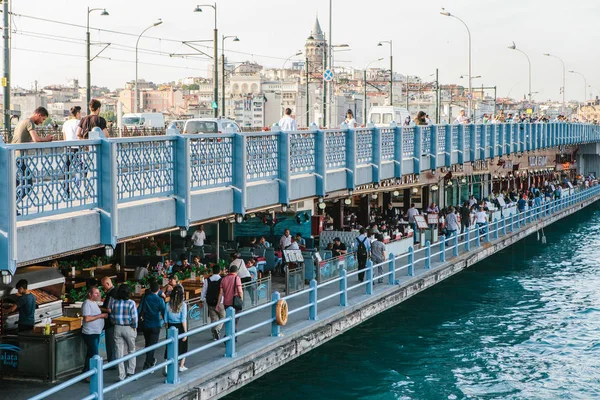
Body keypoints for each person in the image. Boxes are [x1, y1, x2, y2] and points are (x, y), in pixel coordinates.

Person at [110, 284, 138, 381]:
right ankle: (130, 372)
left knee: (119, 352)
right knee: (131, 349)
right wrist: (134, 327)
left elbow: (112, 316)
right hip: (128, 327)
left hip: (117, 327)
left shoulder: (114, 303)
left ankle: (121, 375)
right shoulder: (131, 303)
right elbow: (134, 317)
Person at [138, 280, 165, 372]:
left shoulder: (145, 298)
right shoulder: (160, 300)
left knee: (148, 343)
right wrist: (165, 323)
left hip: (146, 324)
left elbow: (139, 310)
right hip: (156, 324)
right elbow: (164, 312)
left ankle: (151, 360)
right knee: (152, 344)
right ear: (158, 290)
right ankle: (147, 364)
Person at [81, 286, 108, 378]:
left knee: (90, 353)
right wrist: (101, 316)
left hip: (96, 332)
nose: (98, 295)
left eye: (98, 293)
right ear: (90, 294)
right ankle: (92, 374)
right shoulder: (87, 304)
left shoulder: (94, 303)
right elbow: (87, 318)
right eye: (96, 293)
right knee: (94, 354)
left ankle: (86, 372)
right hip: (90, 333)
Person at [165, 285, 188, 372]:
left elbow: (165, 318)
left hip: (170, 326)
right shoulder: (183, 305)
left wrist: (167, 328)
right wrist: (185, 332)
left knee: (170, 346)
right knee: (183, 346)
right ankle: (181, 366)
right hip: (180, 326)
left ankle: (167, 365)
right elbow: (183, 319)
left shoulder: (168, 304)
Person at [217, 264, 243, 336]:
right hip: (235, 303)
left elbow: (220, 293)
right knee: (235, 320)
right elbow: (240, 291)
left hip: (226, 303)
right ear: (236, 271)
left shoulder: (223, 279)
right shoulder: (236, 278)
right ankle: (230, 336)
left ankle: (230, 335)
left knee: (229, 320)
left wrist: (218, 303)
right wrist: (241, 300)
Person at [201, 264, 225, 341]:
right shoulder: (222, 280)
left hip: (210, 302)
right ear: (220, 271)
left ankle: (214, 336)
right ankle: (217, 329)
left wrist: (201, 300)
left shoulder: (206, 280)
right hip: (219, 302)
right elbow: (223, 292)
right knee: (223, 316)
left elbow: (203, 291)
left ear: (212, 271)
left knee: (213, 319)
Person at [100, 277, 117, 362]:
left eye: (103, 286)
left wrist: (99, 308)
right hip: (115, 321)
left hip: (110, 321)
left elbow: (109, 309)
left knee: (110, 343)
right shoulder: (116, 291)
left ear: (107, 284)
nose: (103, 288)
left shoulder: (111, 294)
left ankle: (112, 362)